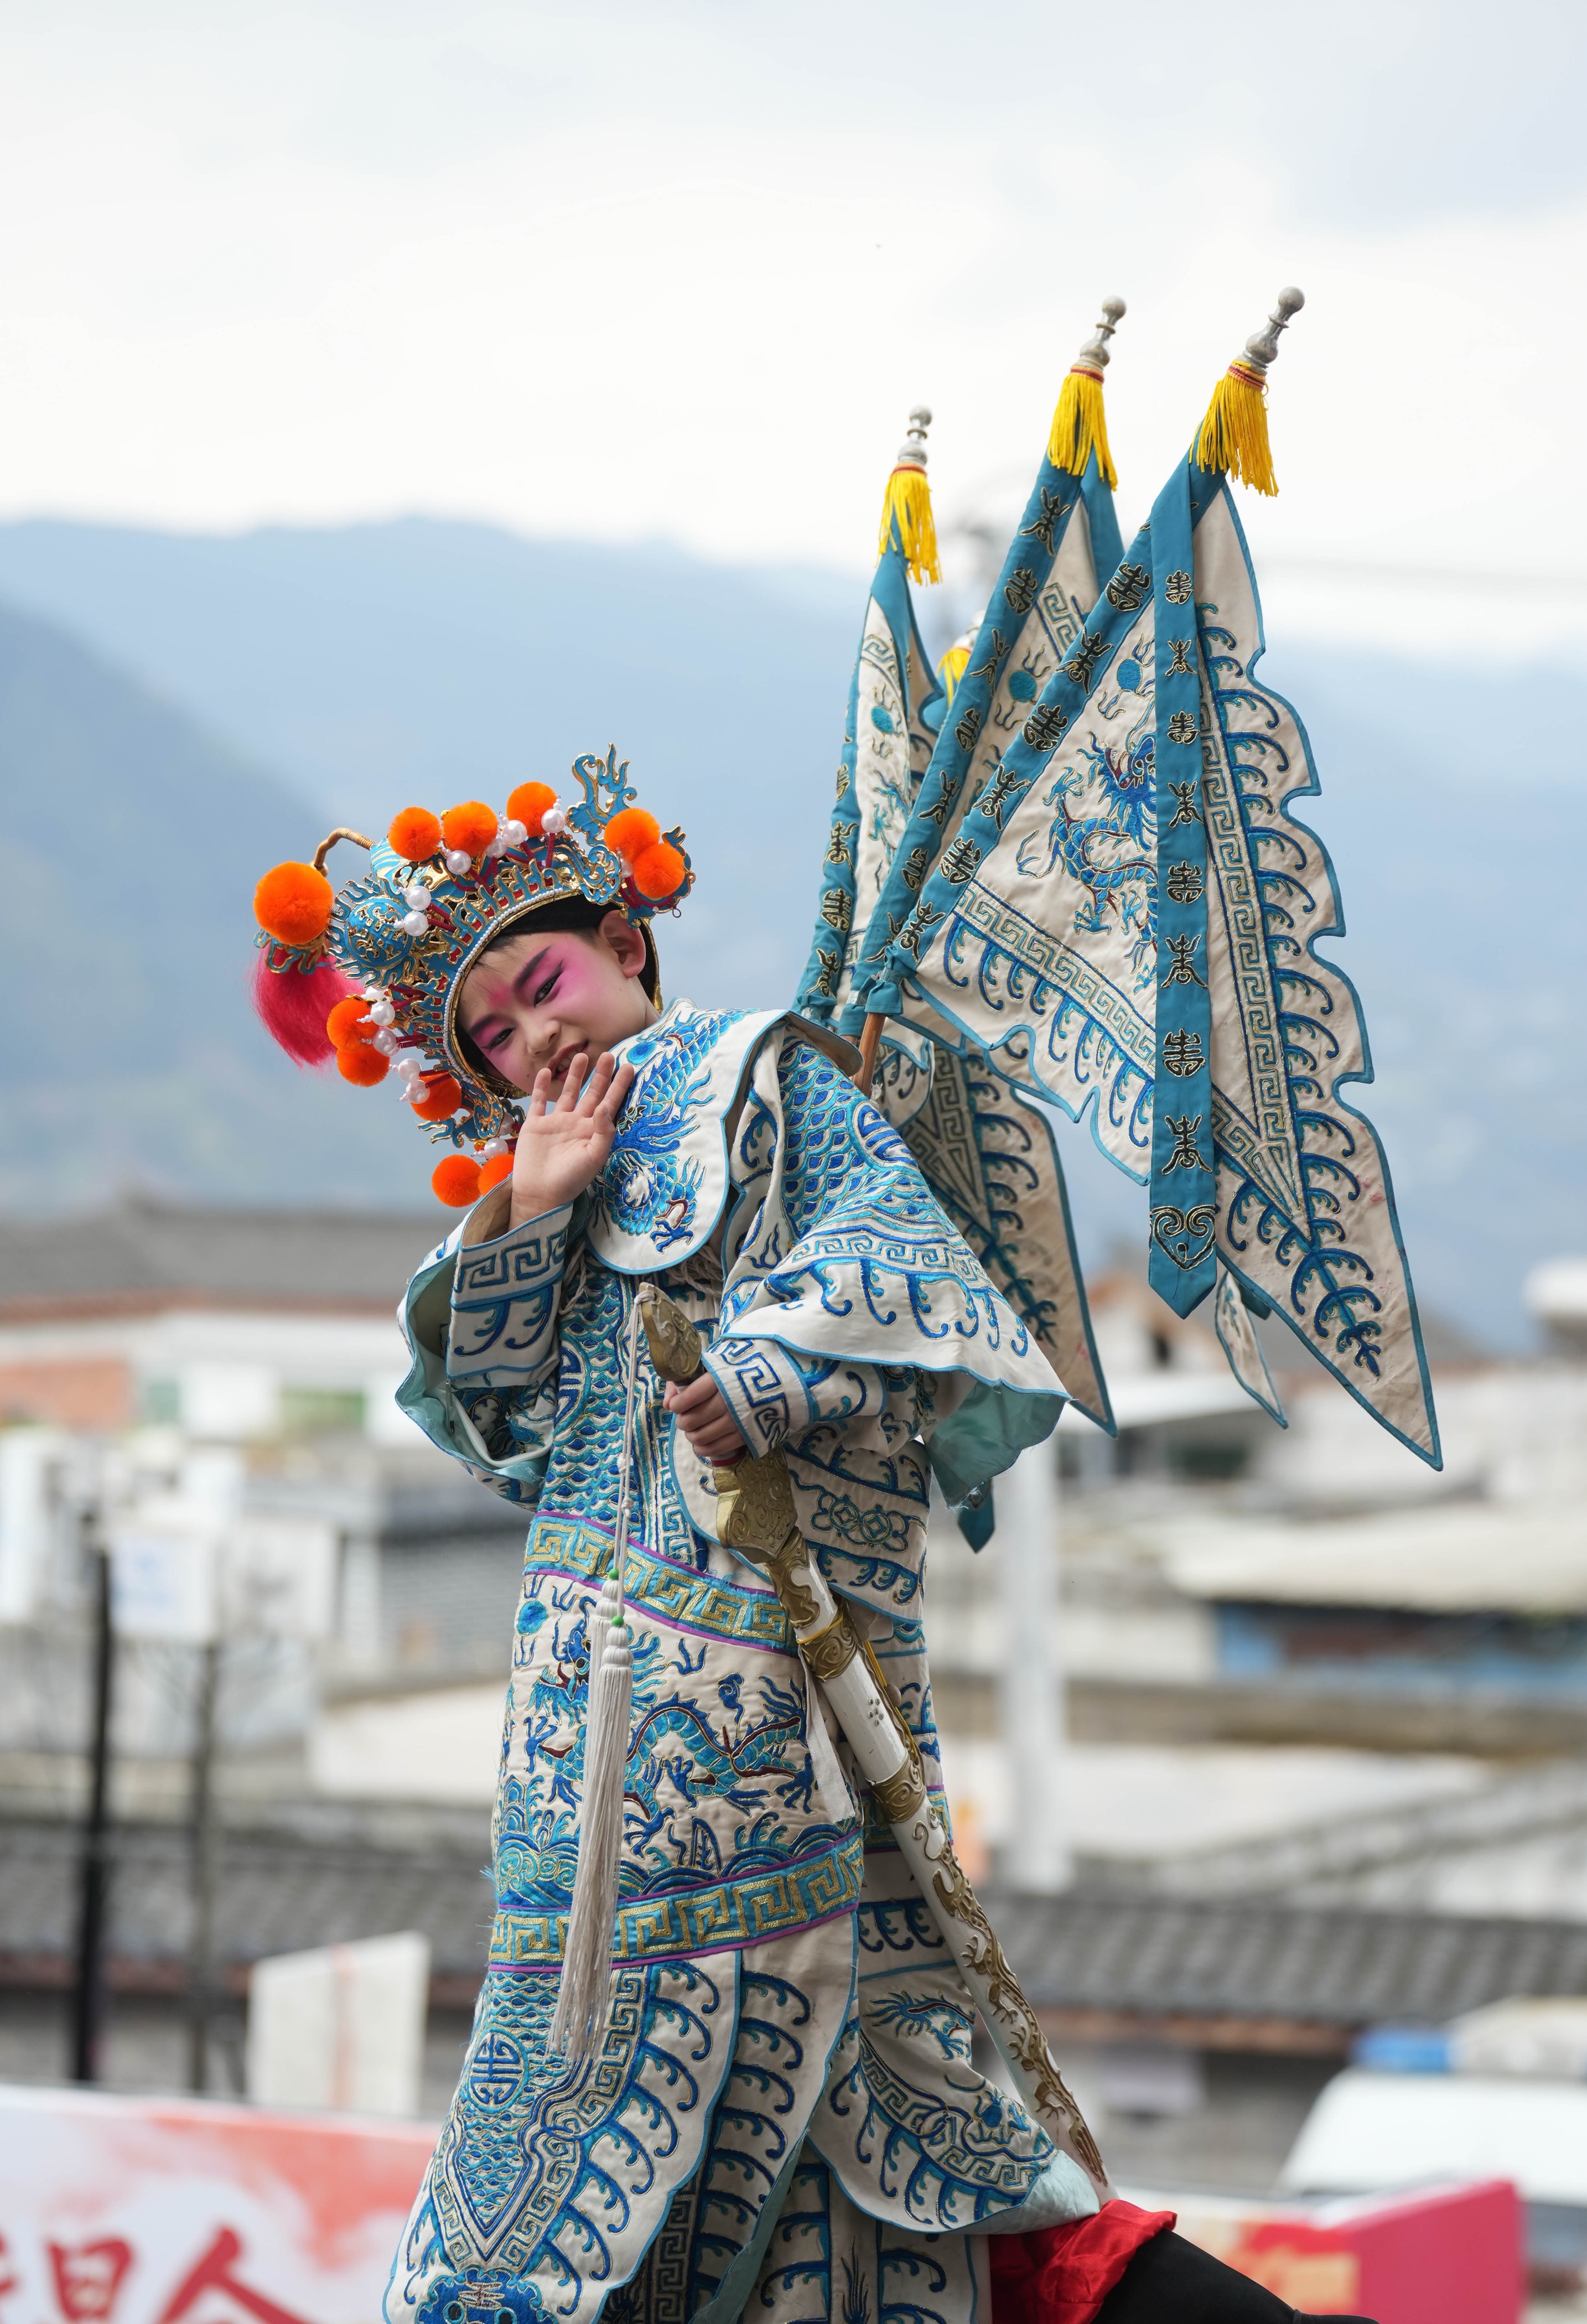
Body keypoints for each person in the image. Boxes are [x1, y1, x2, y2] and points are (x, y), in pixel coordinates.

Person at [252, 754, 1364, 2324]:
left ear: (625, 945)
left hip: (774, 1676)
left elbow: (899, 1257)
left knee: (718, 2076)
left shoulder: (766, 1076)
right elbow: (496, 1412)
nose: (534, 1036)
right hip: (583, 1709)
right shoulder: (534, 1181)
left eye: (542, 983)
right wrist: (532, 1212)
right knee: (692, 2074)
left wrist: (763, 1377)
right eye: (492, 1036)